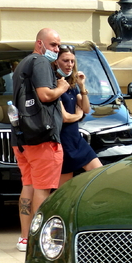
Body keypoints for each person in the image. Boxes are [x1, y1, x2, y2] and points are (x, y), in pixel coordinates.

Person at [12, 28, 69, 251]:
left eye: (58, 45)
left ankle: (25, 238)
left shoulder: (23, 64)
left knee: (28, 186)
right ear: (40, 44)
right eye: (53, 45)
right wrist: (63, 86)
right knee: (43, 190)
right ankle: (38, 240)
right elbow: (45, 94)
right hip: (43, 138)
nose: (57, 50)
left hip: (22, 137)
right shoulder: (41, 63)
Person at [55, 45, 102, 187]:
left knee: (99, 174)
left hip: (76, 139)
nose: (70, 64)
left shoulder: (72, 84)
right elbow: (65, 117)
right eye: (65, 60)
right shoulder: (55, 84)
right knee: (64, 188)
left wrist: (82, 87)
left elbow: (86, 109)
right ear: (56, 61)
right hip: (64, 141)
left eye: (72, 61)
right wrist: (78, 115)